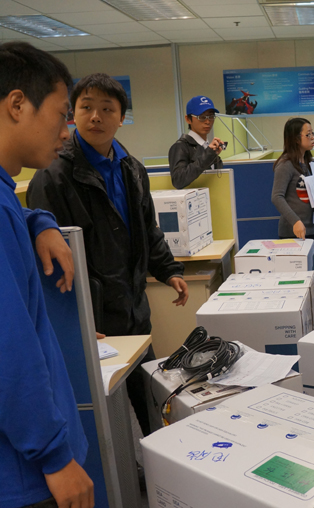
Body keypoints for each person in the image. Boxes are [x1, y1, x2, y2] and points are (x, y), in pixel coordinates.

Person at [27, 73, 188, 437]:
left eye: (106, 109)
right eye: (86, 107)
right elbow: (47, 263)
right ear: (73, 114)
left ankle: (156, 464)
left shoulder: (132, 169)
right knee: (103, 418)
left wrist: (169, 270)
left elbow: (147, 230)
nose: (96, 116)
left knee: (150, 403)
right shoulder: (53, 176)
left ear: (121, 118)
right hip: (93, 319)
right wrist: (76, 319)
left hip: (133, 309)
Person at [1, 41, 95, 508]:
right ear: (18, 105)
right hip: (24, 473)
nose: (66, 131)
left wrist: (38, 220)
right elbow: (8, 347)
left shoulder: (6, 198)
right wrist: (55, 456)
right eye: (61, 114)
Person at [271, 117, 314, 246]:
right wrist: (295, 221)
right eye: (308, 134)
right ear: (296, 139)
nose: (312, 137)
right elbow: (276, 197)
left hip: (311, 229)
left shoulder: (306, 163)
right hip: (293, 232)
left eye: (312, 133)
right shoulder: (286, 164)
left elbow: (302, 193)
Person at [168, 95, 225, 189]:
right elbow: (178, 180)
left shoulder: (207, 147)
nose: (208, 121)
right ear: (188, 119)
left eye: (211, 116)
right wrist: (208, 155)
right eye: (202, 117)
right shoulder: (180, 147)